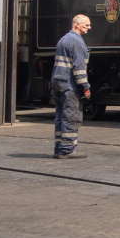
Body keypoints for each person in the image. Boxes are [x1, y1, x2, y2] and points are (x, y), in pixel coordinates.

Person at [51, 14, 92, 159]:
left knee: (61, 115)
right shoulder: (77, 42)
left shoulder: (63, 40)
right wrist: (86, 87)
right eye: (86, 25)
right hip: (69, 85)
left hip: (58, 82)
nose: (89, 28)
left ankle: (58, 147)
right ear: (76, 25)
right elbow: (79, 69)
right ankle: (67, 149)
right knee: (72, 116)